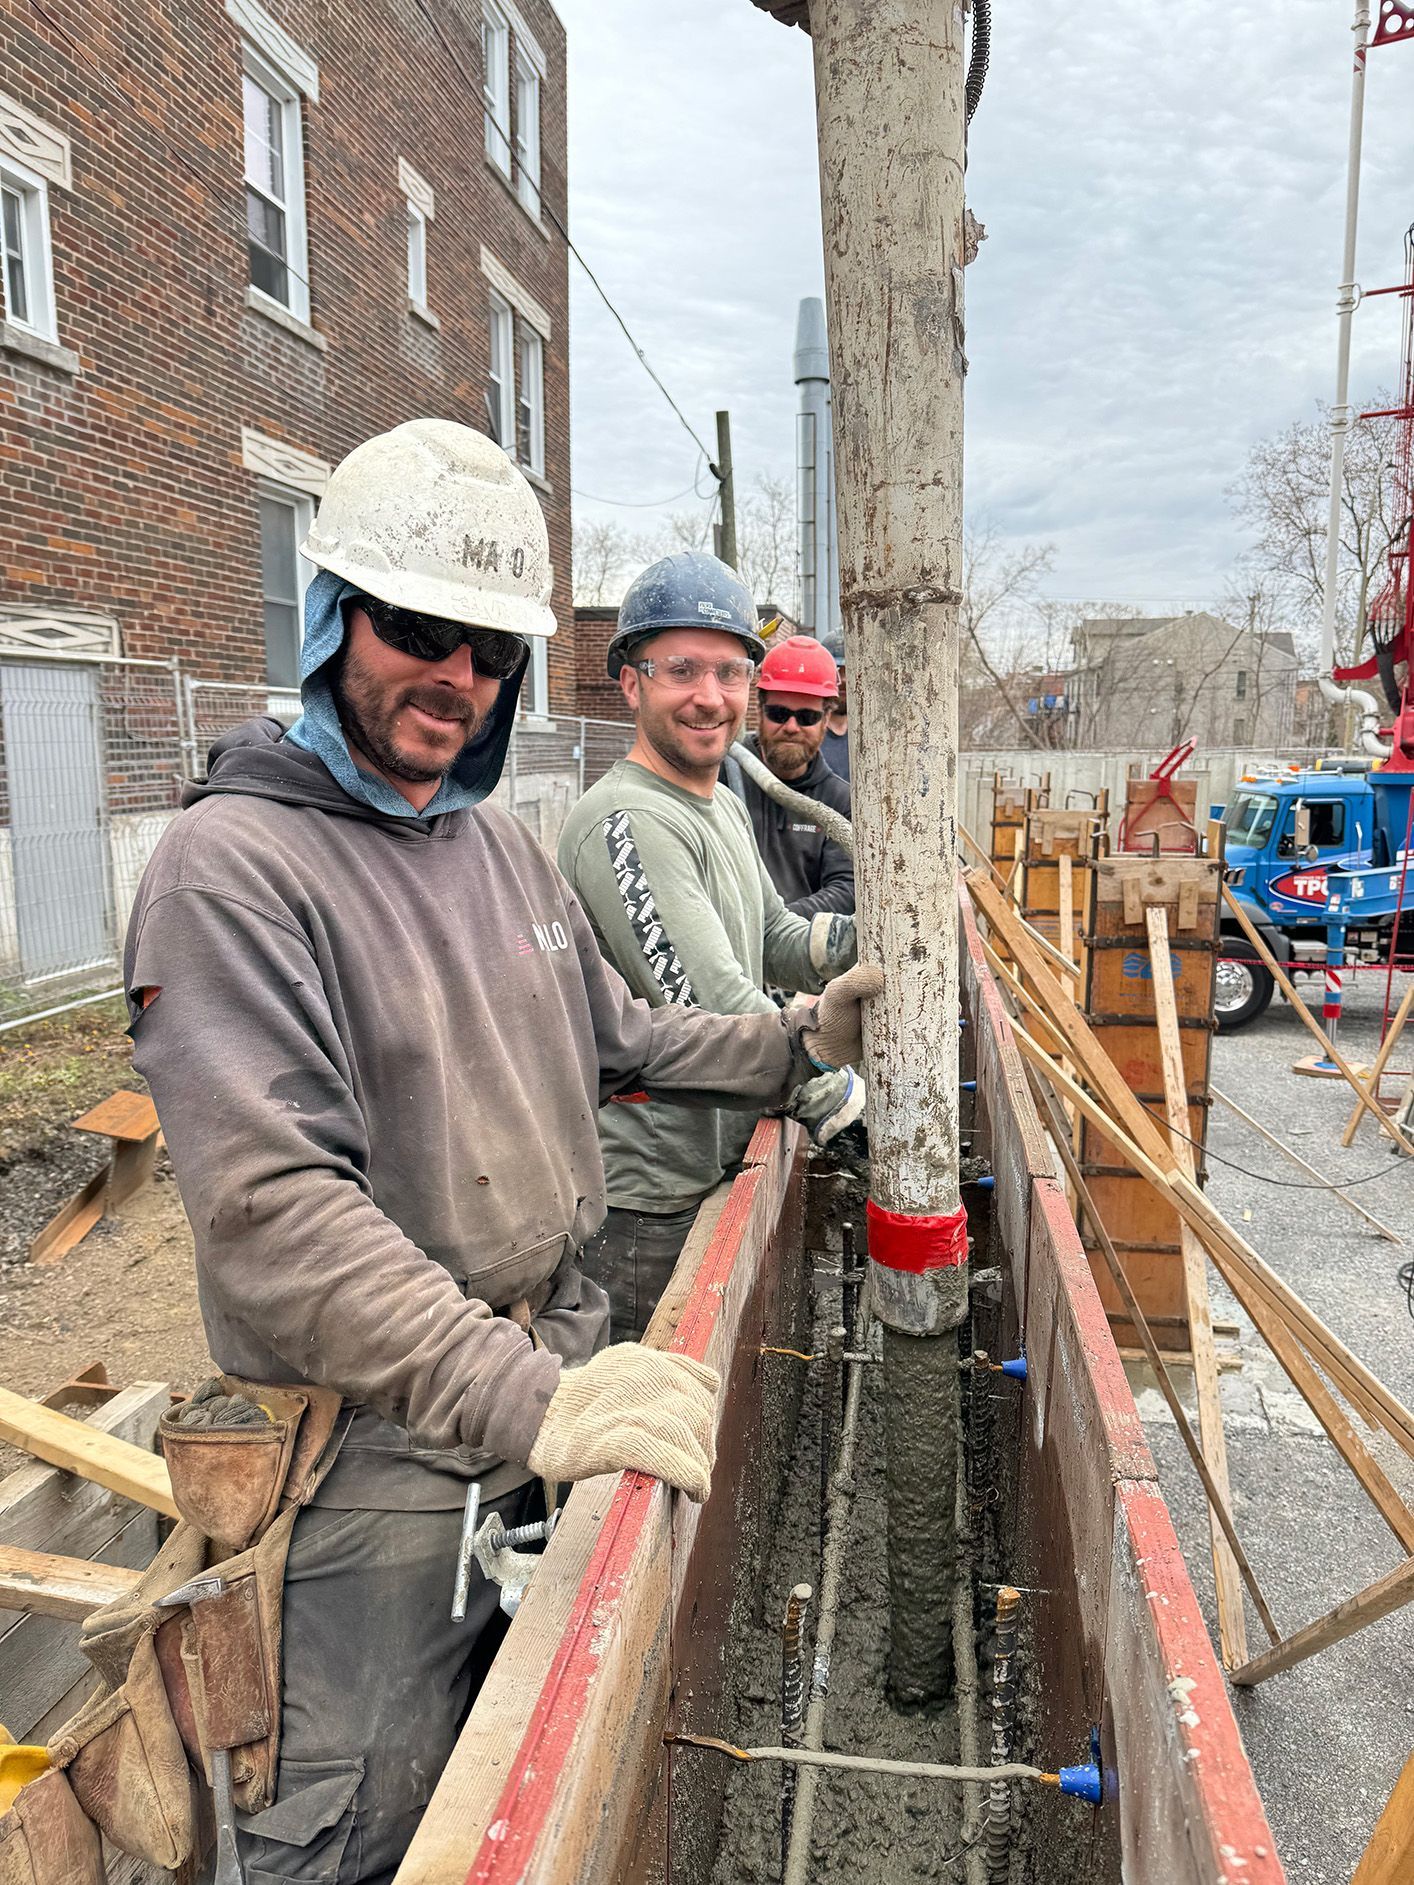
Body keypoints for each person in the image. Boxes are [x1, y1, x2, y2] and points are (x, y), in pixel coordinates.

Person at [122, 422, 876, 1882]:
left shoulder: (498, 850)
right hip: (382, 1453)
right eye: (415, 629)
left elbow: (630, 1036)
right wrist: (532, 1400)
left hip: (537, 1375)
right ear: (335, 617)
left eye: (483, 645)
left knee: (516, 1776)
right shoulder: (233, 871)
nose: (451, 677)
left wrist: (800, 1041)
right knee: (356, 1828)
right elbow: (278, 1221)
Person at [557, 551, 862, 1344]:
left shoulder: (722, 802)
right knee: (638, 1429)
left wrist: (865, 944)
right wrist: (832, 1092)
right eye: (681, 669)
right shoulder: (624, 820)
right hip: (645, 1204)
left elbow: (773, 938)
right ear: (632, 682)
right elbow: (712, 1003)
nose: (709, 696)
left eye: (729, 672)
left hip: (715, 1165)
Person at [726, 632, 853, 916]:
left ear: (826, 719)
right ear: (759, 710)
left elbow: (846, 888)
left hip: (801, 951)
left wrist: (775, 929)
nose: (792, 727)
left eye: (807, 717)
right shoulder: (722, 776)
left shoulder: (839, 801)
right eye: (779, 713)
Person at [818, 625, 851, 781]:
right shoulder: (807, 734)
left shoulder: (872, 737)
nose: (843, 679)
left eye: (851, 670)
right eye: (837, 670)